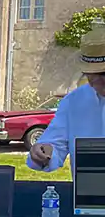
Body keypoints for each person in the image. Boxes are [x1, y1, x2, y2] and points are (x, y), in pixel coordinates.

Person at [28, 25, 105, 173]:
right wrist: (43, 151)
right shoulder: (74, 101)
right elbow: (53, 145)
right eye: (92, 73)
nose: (98, 81)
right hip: (89, 192)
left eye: (103, 73)